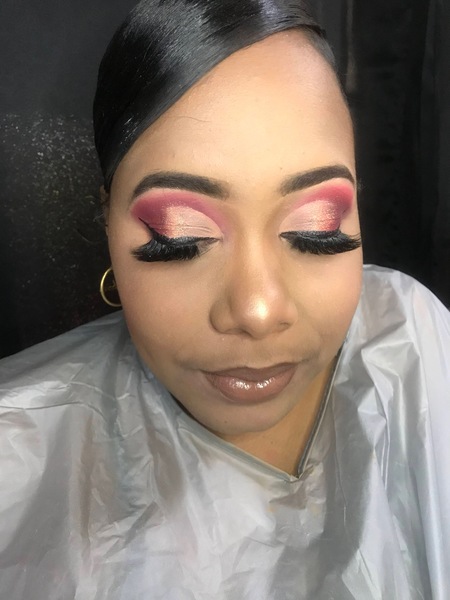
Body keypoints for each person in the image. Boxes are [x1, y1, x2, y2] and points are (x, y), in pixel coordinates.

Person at [0, 1, 449, 598]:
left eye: (315, 230)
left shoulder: (418, 339)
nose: (257, 311)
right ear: (107, 221)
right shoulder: (17, 457)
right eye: (181, 240)